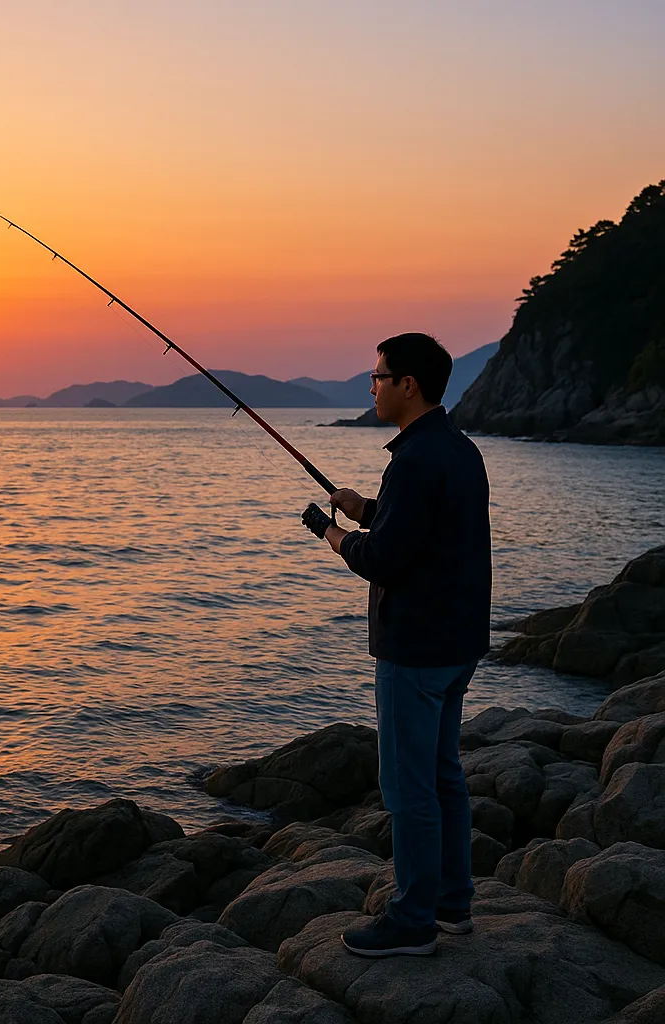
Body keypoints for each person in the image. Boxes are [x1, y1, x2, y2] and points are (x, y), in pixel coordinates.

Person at [302, 332, 492, 957]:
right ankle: (452, 904)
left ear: (409, 384)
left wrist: (332, 533)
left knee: (408, 786)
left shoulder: (412, 459)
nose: (373, 386)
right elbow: (424, 527)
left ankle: (412, 922)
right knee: (443, 777)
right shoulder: (457, 450)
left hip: (416, 647)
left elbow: (385, 559)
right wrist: (365, 507)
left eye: (379, 376)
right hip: (458, 641)